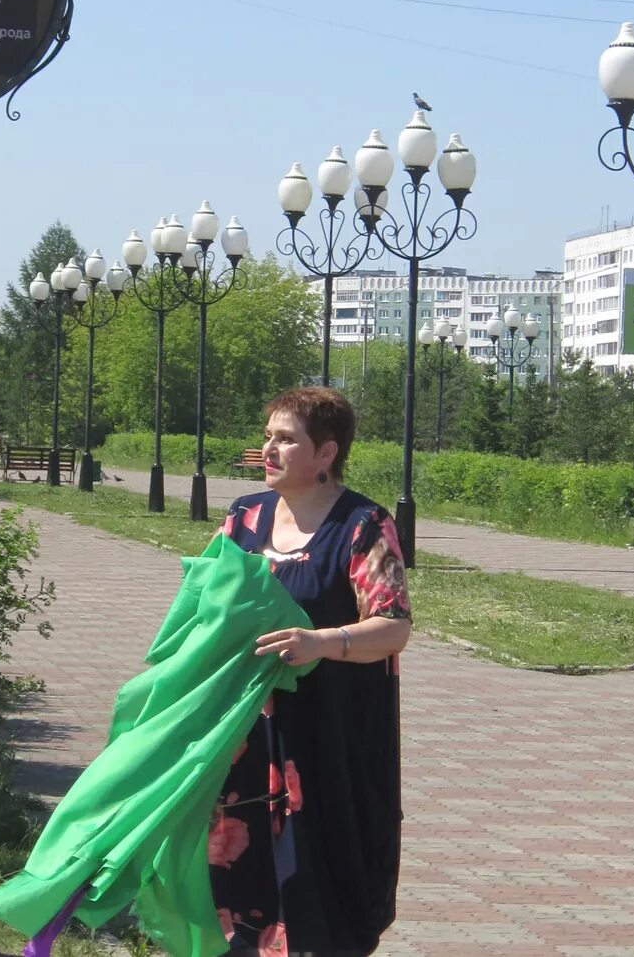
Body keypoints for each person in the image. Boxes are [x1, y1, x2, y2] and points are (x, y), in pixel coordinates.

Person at [212, 386, 411, 957]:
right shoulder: (243, 517)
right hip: (247, 734)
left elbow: (394, 626)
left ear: (326, 454)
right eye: (269, 436)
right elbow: (207, 603)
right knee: (238, 869)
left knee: (319, 876)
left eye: (286, 439)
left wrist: (321, 641)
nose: (269, 450)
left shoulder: (362, 525)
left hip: (330, 736)